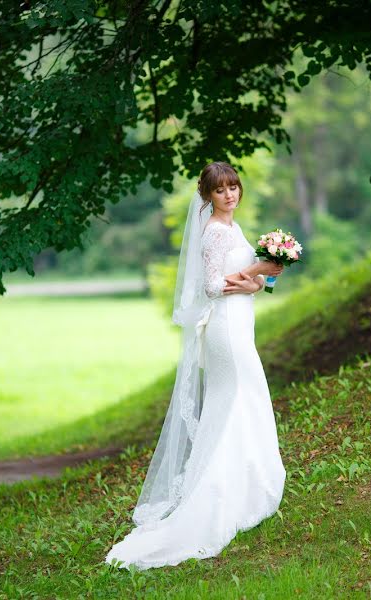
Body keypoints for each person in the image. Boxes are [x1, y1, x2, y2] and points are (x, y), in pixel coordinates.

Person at [105, 161, 286, 570]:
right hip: (224, 328)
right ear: (208, 196)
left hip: (241, 321)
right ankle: (221, 494)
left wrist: (261, 277)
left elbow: (255, 287)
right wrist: (257, 271)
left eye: (234, 187)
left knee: (240, 401)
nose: (230, 195)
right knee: (242, 394)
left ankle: (246, 482)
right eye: (221, 190)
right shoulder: (215, 234)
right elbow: (210, 286)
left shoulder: (236, 230)